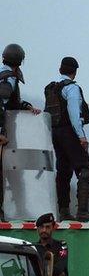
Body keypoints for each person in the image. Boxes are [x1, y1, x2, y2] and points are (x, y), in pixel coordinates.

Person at [43, 57, 89, 222]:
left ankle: (64, 211)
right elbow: (74, 113)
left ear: (60, 70)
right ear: (75, 71)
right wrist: (81, 137)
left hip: (54, 133)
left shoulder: (51, 88)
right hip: (69, 132)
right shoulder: (72, 88)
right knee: (85, 168)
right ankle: (83, 211)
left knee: (63, 171)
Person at [0, 44, 43, 222]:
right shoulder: (8, 78)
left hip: (7, 131)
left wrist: (26, 106)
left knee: (12, 171)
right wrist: (1, 131)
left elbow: (11, 102)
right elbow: (1, 102)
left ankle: (20, 208)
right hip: (5, 134)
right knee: (7, 171)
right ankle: (12, 210)